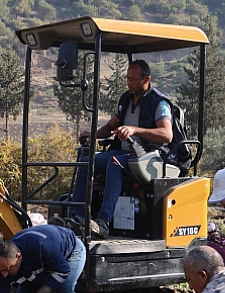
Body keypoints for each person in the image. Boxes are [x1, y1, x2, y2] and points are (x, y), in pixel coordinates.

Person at [70, 60, 184, 238]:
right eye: (128, 78)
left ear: (146, 79)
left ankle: (103, 222)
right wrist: (94, 134)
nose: (129, 83)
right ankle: (77, 217)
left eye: (134, 79)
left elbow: (166, 135)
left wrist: (134, 130)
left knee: (115, 163)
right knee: (87, 163)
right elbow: (110, 127)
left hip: (150, 156)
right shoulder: (126, 99)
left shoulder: (159, 103)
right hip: (124, 153)